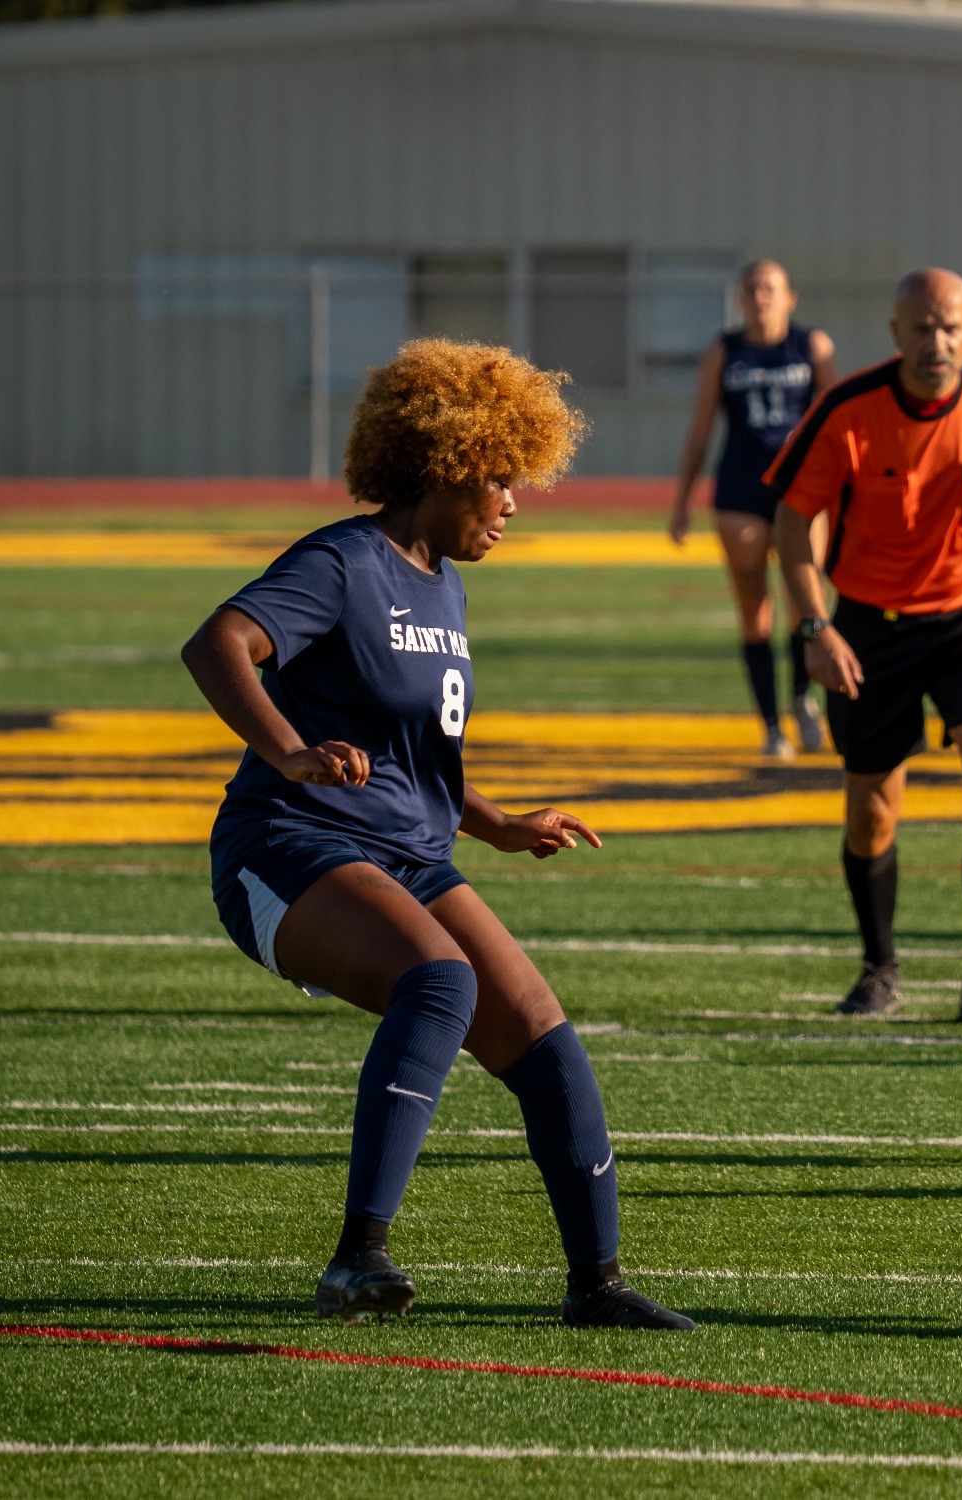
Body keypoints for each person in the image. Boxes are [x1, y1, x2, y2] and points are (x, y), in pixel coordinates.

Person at [181, 339, 693, 1331]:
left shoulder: (443, 583)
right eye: (498, 478)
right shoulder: (343, 560)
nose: (511, 501)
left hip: (408, 853)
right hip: (286, 845)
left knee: (540, 1028)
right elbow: (217, 645)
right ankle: (354, 1261)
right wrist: (288, 751)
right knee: (442, 981)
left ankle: (597, 1285)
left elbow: (419, 759)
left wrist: (498, 824)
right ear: (442, 461)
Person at [771, 268, 962, 1020]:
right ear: (897, 332)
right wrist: (814, 626)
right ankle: (879, 969)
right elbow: (793, 516)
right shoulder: (849, 408)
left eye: (952, 327)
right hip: (873, 626)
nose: (938, 342)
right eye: (924, 328)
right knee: (873, 807)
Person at [669, 260, 838, 758]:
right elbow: (701, 431)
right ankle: (771, 726)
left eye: (770, 288)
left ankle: (803, 700)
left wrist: (847, 493)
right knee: (753, 611)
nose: (760, 296)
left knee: (806, 603)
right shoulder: (723, 352)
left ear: (790, 296)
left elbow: (838, 424)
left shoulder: (814, 346)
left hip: (800, 490)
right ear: (740, 299)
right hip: (741, 490)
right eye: (751, 289)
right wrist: (682, 501)